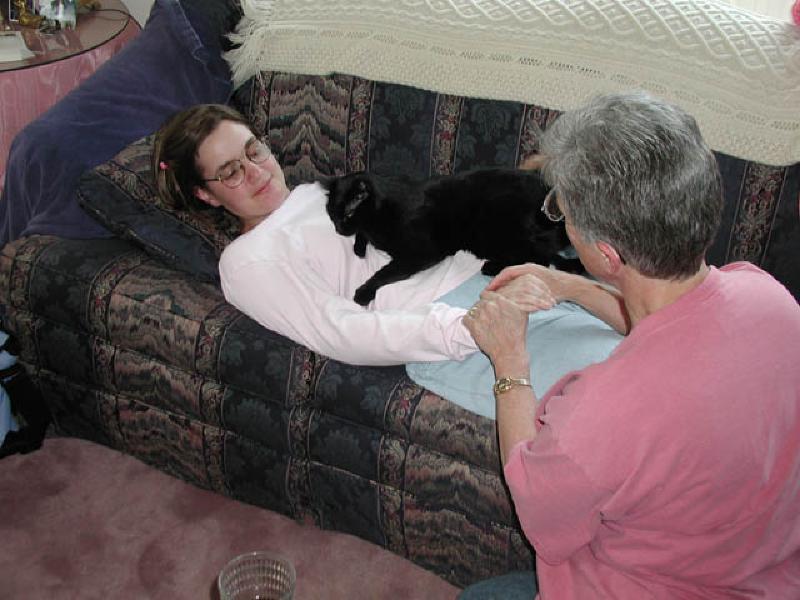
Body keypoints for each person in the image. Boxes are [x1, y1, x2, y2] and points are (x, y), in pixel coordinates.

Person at [460, 91, 800, 598]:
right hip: (763, 570)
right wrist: (572, 286)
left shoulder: (599, 415)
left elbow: (539, 516)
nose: (564, 225)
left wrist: (509, 360)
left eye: (565, 214)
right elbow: (679, 322)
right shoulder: (770, 298)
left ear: (606, 253)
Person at [153, 104, 555, 366]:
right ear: (205, 194)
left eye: (253, 151)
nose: (255, 171)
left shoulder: (321, 190)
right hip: (456, 319)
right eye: (230, 172)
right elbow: (341, 331)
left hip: (495, 268)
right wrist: (470, 325)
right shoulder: (247, 261)